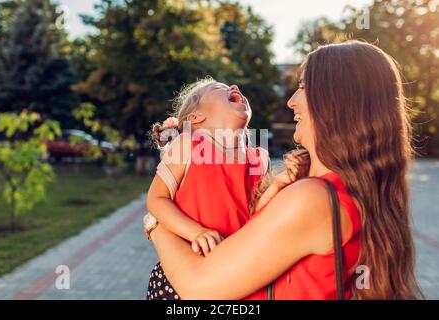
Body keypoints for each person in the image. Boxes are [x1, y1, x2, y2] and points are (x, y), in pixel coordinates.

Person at [146, 41, 424, 300]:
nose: (291, 101)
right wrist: (270, 201)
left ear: (335, 101)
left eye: (303, 87)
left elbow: (200, 291)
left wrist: (157, 226)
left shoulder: (313, 199)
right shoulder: (341, 191)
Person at [145, 77, 309, 300]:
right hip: (180, 274)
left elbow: (256, 214)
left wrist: (278, 185)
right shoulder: (188, 144)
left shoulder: (259, 158)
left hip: (232, 273)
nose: (233, 87)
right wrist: (196, 232)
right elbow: (156, 199)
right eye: (218, 88)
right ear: (196, 117)